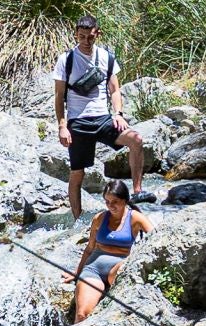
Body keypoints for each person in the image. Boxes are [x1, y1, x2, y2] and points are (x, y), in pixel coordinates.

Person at [54, 15, 145, 218]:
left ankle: (138, 191)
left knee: (136, 140)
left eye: (90, 37)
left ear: (98, 34)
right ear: (76, 35)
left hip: (103, 119)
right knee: (78, 173)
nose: (86, 42)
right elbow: (59, 96)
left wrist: (118, 114)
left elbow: (114, 89)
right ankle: (77, 217)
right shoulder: (66, 60)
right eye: (82, 37)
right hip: (78, 122)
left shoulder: (106, 57)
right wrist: (62, 126)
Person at [63, 180, 156, 324]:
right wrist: (77, 272)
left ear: (125, 200)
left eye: (115, 202)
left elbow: (158, 238)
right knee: (82, 315)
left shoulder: (136, 218)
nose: (110, 206)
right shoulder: (99, 218)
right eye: (107, 202)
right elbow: (89, 248)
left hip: (119, 266)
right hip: (93, 269)